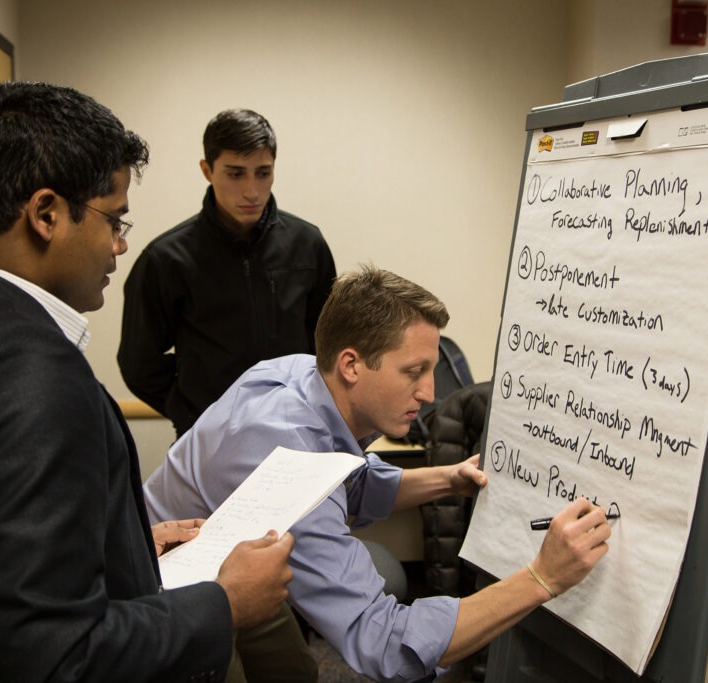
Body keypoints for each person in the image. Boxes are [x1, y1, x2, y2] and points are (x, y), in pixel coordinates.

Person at [0, 81, 295, 682]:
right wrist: (224, 603)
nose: (120, 244)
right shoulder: (32, 370)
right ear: (47, 215)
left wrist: (121, 544)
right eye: (114, 219)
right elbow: (57, 656)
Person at [145, 265, 612, 682]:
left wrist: (446, 479)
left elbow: (355, 482)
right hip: (166, 587)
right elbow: (382, 640)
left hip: (233, 552)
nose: (429, 393)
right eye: (414, 372)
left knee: (295, 671)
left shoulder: (303, 374)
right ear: (351, 364)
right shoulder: (288, 456)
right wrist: (542, 578)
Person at [118, 108, 337, 438]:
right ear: (207, 170)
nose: (252, 191)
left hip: (297, 431)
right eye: (236, 174)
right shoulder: (167, 258)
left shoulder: (307, 244)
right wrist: (195, 409)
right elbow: (139, 363)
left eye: (263, 173)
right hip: (210, 439)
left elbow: (329, 344)